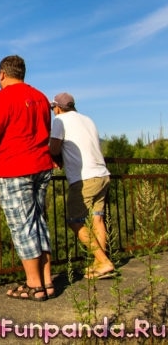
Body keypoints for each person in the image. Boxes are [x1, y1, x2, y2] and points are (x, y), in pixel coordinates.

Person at [0, 55, 55, 301]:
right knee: (39, 222)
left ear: (2, 74)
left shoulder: (4, 96)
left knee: (22, 226)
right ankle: (47, 281)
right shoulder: (40, 97)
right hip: (42, 166)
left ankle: (34, 285)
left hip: (15, 167)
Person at [49, 92, 115, 279]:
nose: (54, 111)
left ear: (59, 108)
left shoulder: (60, 121)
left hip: (84, 179)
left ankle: (103, 261)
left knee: (74, 221)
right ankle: (100, 263)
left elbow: (54, 148)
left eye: (53, 108)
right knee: (97, 220)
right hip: (102, 175)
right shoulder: (87, 119)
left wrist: (55, 155)